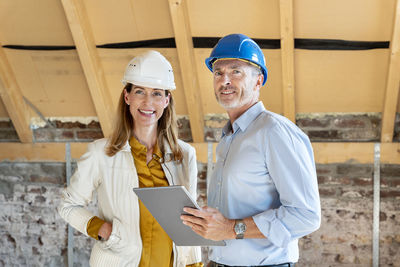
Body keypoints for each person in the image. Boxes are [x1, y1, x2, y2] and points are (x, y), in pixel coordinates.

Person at [181, 34, 321, 267]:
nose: (224, 80)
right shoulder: (229, 137)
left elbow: (305, 215)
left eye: (236, 71)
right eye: (218, 72)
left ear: (258, 81)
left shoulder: (274, 131)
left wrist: (230, 228)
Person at [58, 50, 203, 267]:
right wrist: (103, 229)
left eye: (156, 93)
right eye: (139, 92)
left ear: (166, 100)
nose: (147, 102)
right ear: (127, 97)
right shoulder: (101, 153)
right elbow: (68, 205)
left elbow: (188, 222)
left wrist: (195, 264)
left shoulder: (184, 155)